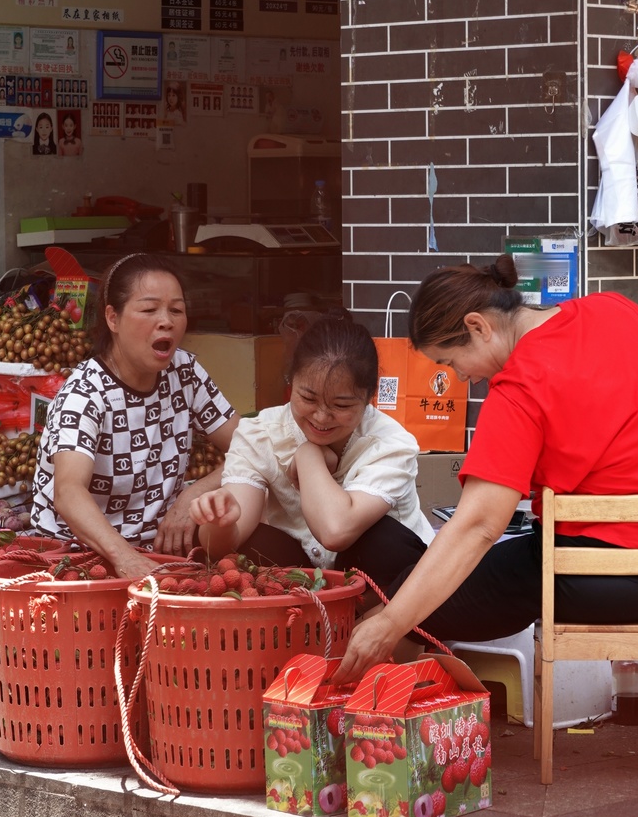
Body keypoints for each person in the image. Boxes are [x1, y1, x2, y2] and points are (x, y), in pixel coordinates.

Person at [335, 254, 638, 682]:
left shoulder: (519, 389)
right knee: (417, 582)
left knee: (405, 598)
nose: (462, 379)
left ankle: (373, 694)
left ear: (478, 327)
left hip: (597, 581)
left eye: (451, 363)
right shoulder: (616, 308)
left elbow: (479, 526)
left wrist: (390, 624)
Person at [189, 311, 435, 600]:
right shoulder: (260, 433)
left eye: (341, 405)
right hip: (303, 580)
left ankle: (371, 626)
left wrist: (308, 455)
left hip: (388, 592)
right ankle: (301, 622)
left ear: (369, 397)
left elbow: (335, 531)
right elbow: (218, 547)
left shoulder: (390, 444)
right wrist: (219, 520)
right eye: (307, 398)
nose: (321, 417)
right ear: (291, 382)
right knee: (249, 546)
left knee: (381, 540)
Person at [30, 253, 240, 578]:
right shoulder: (85, 393)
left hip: (158, 552)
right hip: (80, 558)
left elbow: (250, 447)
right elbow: (69, 493)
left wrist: (194, 493)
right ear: (112, 319)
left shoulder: (184, 371)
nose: (166, 321)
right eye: (149, 309)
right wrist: (124, 559)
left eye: (176, 310)